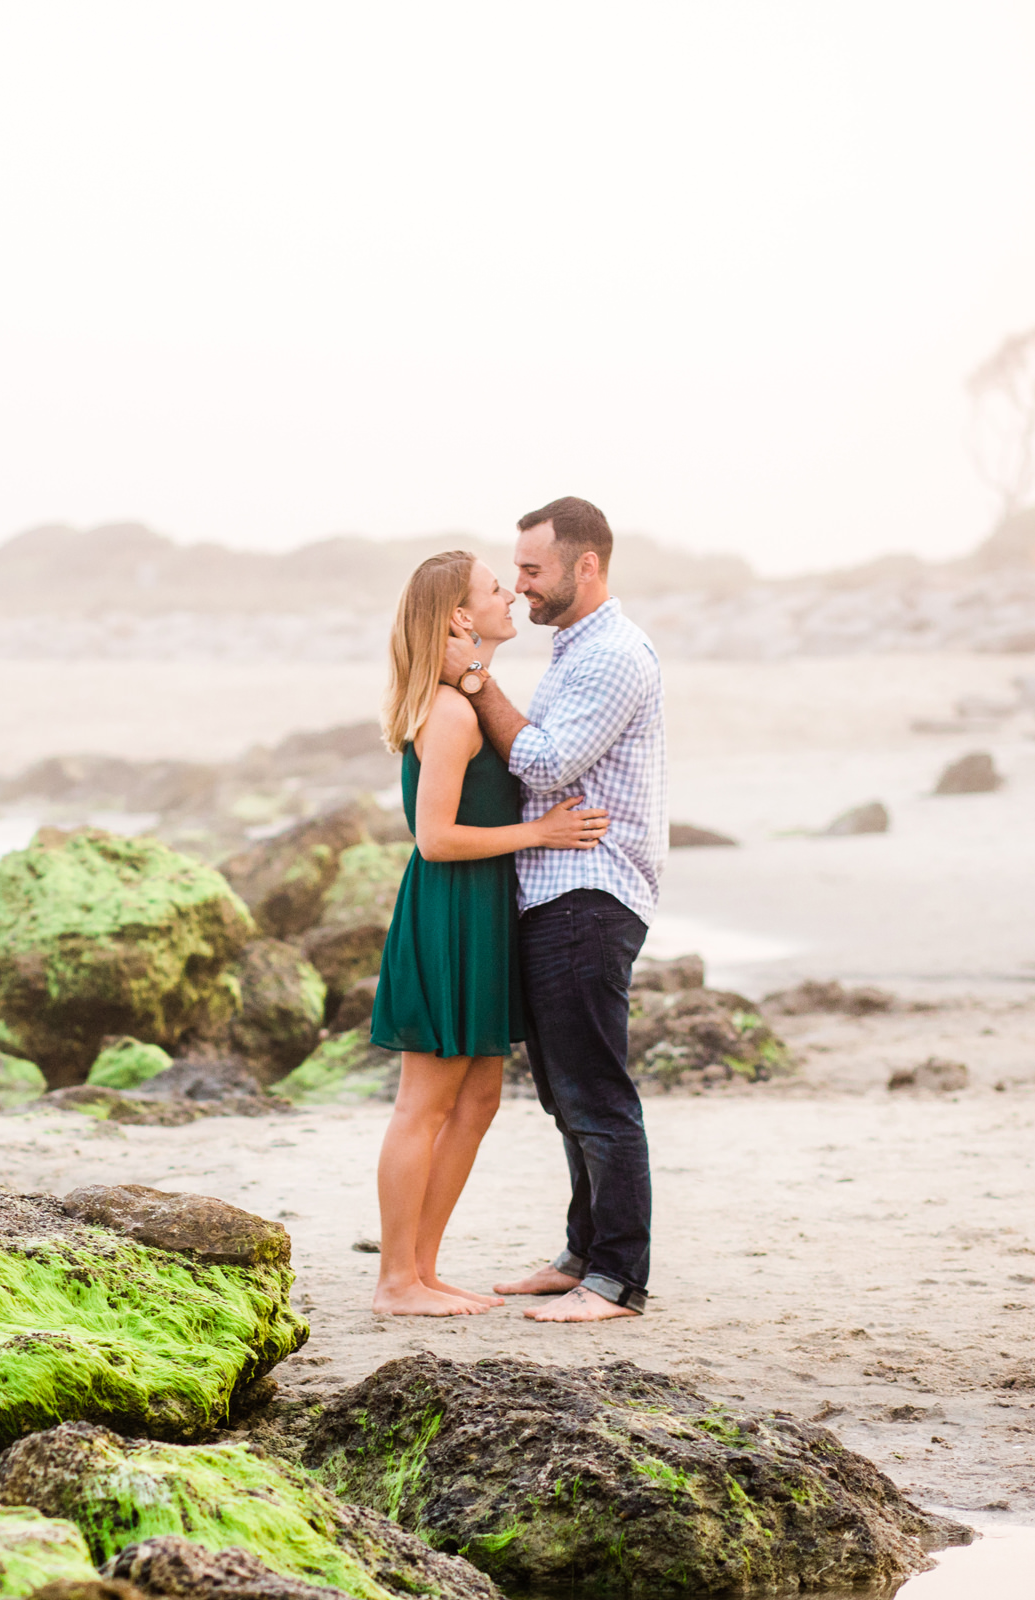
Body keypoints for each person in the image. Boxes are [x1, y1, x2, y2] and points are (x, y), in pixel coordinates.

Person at [442, 496, 667, 1325]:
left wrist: (473, 677)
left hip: (590, 893)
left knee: (597, 1094)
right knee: (567, 1095)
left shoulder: (613, 655)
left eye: (532, 570)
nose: (523, 585)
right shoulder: (578, 648)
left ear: (587, 566)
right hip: (559, 892)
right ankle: (583, 1253)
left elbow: (542, 762)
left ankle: (617, 1279)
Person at [367, 549, 609, 1317]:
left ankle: (423, 1270)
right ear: (460, 617)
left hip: (480, 914)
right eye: (494, 587)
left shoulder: (463, 700)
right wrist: (540, 832)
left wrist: (475, 677)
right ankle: (394, 1282)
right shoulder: (445, 712)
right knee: (425, 1104)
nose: (511, 593)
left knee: (476, 1103)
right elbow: (434, 838)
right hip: (447, 913)